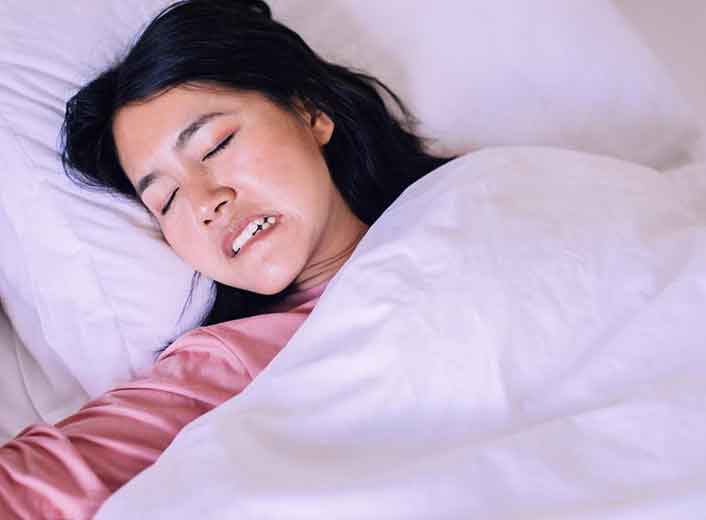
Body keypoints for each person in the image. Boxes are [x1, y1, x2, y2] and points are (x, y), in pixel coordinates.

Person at [0, 1, 453, 517]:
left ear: (309, 112)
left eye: (216, 145)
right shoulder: (230, 363)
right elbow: (42, 483)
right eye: (165, 200)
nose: (202, 202)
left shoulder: (488, 193)